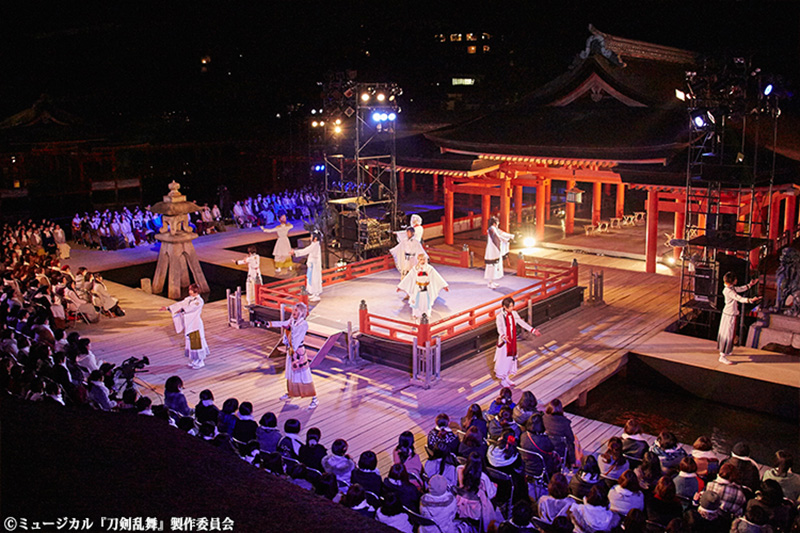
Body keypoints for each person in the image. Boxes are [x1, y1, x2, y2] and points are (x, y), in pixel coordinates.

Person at [266, 302, 318, 409]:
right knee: (290, 373)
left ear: (301, 313)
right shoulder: (291, 321)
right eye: (294, 310)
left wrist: (293, 350)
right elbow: (282, 323)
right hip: (291, 351)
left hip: (298, 352)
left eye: (296, 311)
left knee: (304, 374)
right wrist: (269, 323)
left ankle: (314, 398)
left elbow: (297, 338)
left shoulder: (303, 324)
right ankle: (290, 392)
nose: (294, 312)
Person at [494, 296, 541, 388]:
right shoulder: (500, 316)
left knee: (511, 359)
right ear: (504, 306)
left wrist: (533, 330)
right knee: (503, 360)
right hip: (505, 341)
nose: (512, 308)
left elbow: (521, 323)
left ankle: (506, 377)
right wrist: (503, 336)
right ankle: (503, 379)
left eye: (512, 306)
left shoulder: (514, 314)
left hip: (512, 340)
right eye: (510, 306)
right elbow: (499, 328)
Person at [161, 283, 209, 369]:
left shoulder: (199, 301)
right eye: (189, 290)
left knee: (197, 342)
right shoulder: (189, 299)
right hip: (189, 323)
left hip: (195, 324)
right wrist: (168, 308)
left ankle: (200, 361)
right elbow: (181, 304)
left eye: (191, 290)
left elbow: (191, 308)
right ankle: (195, 360)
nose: (189, 292)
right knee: (191, 342)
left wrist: (182, 309)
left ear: (196, 291)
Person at [717, 272, 759, 365]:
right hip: (729, 314)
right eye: (735, 279)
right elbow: (738, 298)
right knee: (728, 333)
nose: (737, 280)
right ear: (732, 281)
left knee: (730, 333)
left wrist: (750, 285)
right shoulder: (728, 291)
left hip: (730, 314)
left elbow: (739, 289)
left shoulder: (730, 288)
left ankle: (726, 351)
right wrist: (751, 300)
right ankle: (722, 356)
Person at [397, 253, 449, 323]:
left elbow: (437, 277)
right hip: (417, 288)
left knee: (426, 302)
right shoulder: (415, 269)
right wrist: (400, 287)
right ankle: (416, 315)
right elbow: (408, 278)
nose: (423, 261)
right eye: (421, 259)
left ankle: (427, 314)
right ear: (418, 260)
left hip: (426, 288)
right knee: (417, 302)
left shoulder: (430, 269)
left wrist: (444, 286)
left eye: (424, 259)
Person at [485, 216, 514, 288]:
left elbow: (502, 234)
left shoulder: (495, 229)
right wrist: (505, 240)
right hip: (492, 250)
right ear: (495, 223)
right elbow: (497, 238)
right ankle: (489, 282)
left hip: (495, 250)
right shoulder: (491, 229)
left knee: (495, 266)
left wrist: (511, 236)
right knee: (491, 266)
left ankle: (492, 281)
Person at [292, 231, 322, 302]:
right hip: (312, 265)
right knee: (311, 279)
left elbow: (306, 251)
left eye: (311, 237)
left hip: (314, 265)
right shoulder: (314, 244)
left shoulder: (315, 245)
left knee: (315, 279)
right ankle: (314, 294)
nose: (310, 238)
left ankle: (316, 294)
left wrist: (295, 252)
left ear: (315, 239)